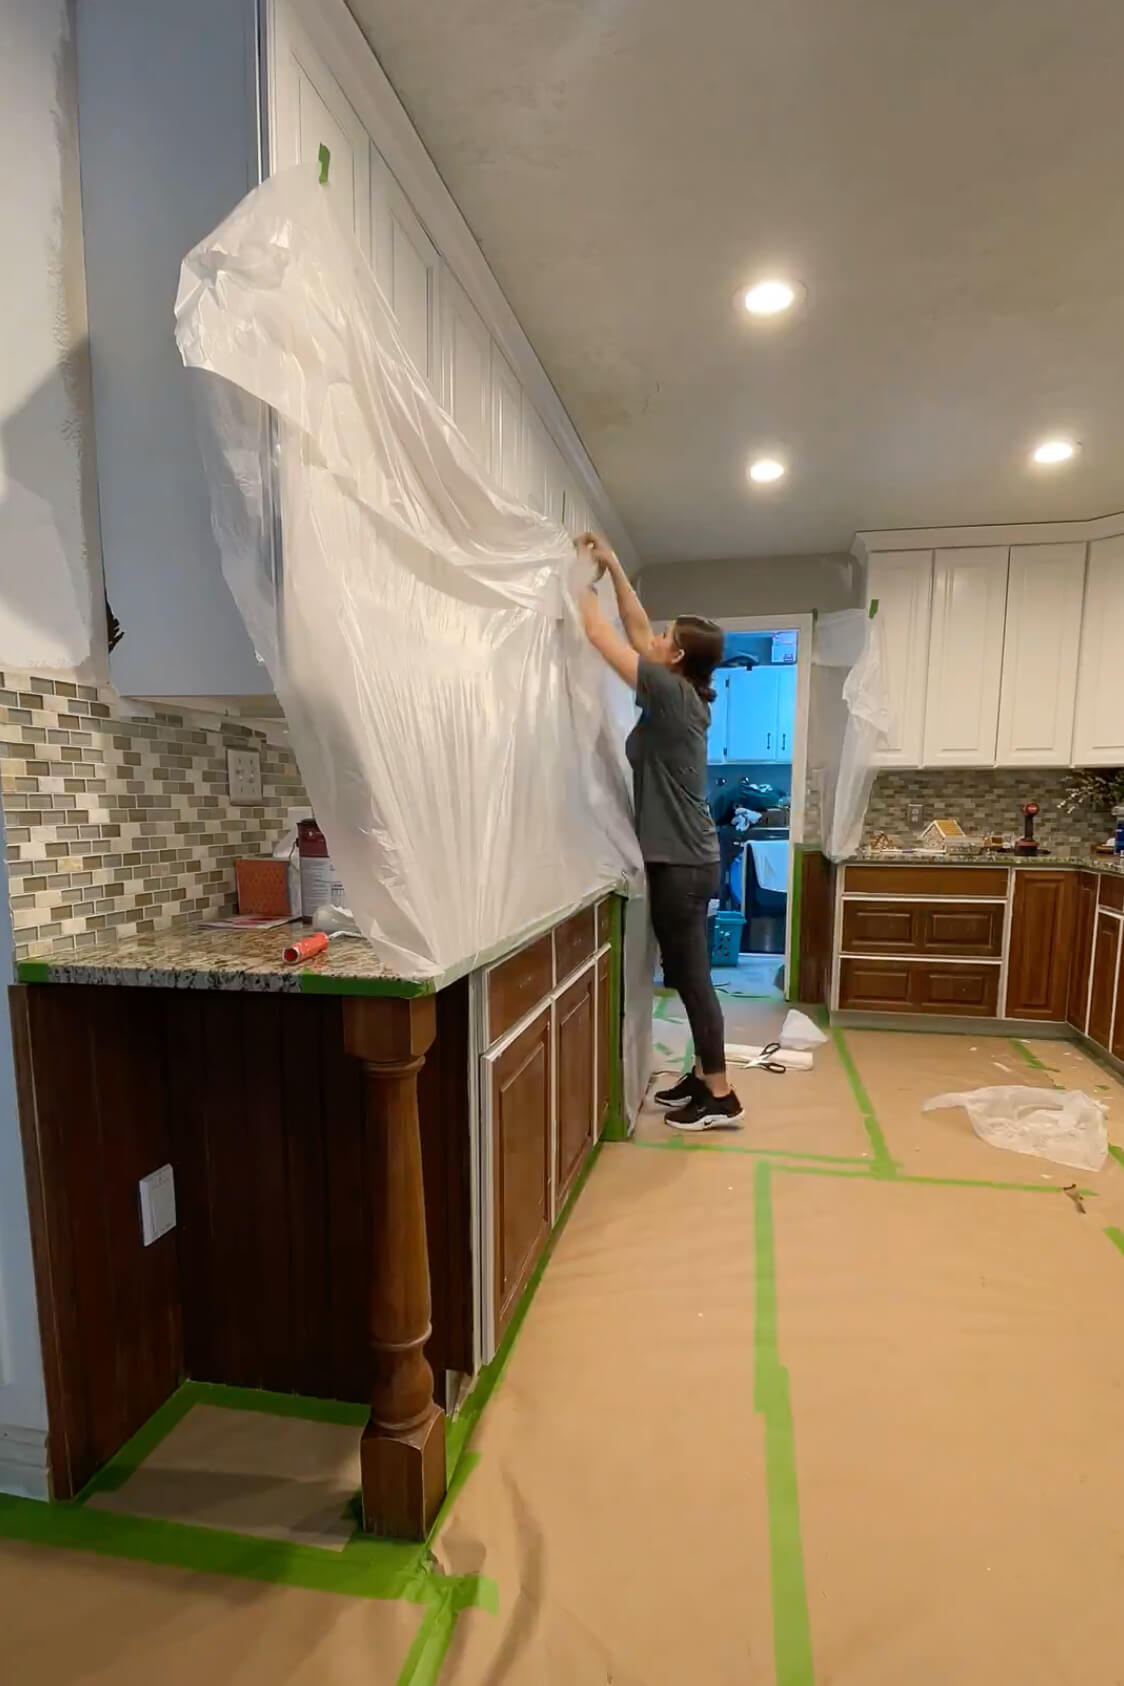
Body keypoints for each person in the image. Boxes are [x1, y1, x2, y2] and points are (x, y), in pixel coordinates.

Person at [575, 533, 743, 1130]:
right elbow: (637, 625)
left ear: (676, 659)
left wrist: (571, 581)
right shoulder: (681, 687)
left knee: (692, 978)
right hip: (684, 857)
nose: (657, 640)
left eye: (668, 639)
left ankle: (720, 1095)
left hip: (682, 862)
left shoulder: (669, 694)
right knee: (686, 972)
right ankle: (700, 1079)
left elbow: (603, 636)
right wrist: (615, 565)